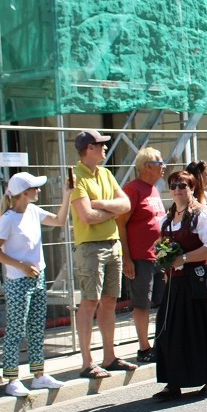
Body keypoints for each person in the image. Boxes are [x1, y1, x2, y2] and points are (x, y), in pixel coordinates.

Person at [0, 172, 72, 396]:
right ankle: (12, 378)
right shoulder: (7, 219)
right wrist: (20, 265)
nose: (39, 190)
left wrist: (67, 196)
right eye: (35, 188)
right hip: (18, 281)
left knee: (35, 328)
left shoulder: (33, 211)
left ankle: (38, 375)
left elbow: (59, 221)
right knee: (15, 329)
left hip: (37, 277)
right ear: (24, 193)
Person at [152, 170, 207, 400]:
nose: (177, 190)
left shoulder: (202, 215)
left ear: (192, 188)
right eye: (173, 186)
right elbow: (162, 245)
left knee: (202, 330)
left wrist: (183, 258)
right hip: (176, 284)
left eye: (182, 186)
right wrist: (164, 258)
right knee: (171, 332)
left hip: (200, 282)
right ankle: (173, 382)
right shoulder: (167, 218)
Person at [69, 129, 134, 379]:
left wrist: (101, 205)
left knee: (109, 301)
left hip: (112, 244)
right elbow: (86, 216)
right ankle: (87, 362)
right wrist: (112, 210)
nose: (105, 148)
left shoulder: (105, 174)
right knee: (89, 302)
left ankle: (110, 357)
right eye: (101, 144)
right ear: (89, 148)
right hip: (90, 247)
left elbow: (126, 205)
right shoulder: (76, 177)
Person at [117, 147, 168, 363]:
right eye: (160, 163)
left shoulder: (153, 189)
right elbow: (121, 224)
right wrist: (127, 258)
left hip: (158, 257)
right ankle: (144, 348)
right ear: (148, 166)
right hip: (141, 258)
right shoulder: (132, 190)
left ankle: (160, 343)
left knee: (162, 301)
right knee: (142, 304)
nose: (163, 167)